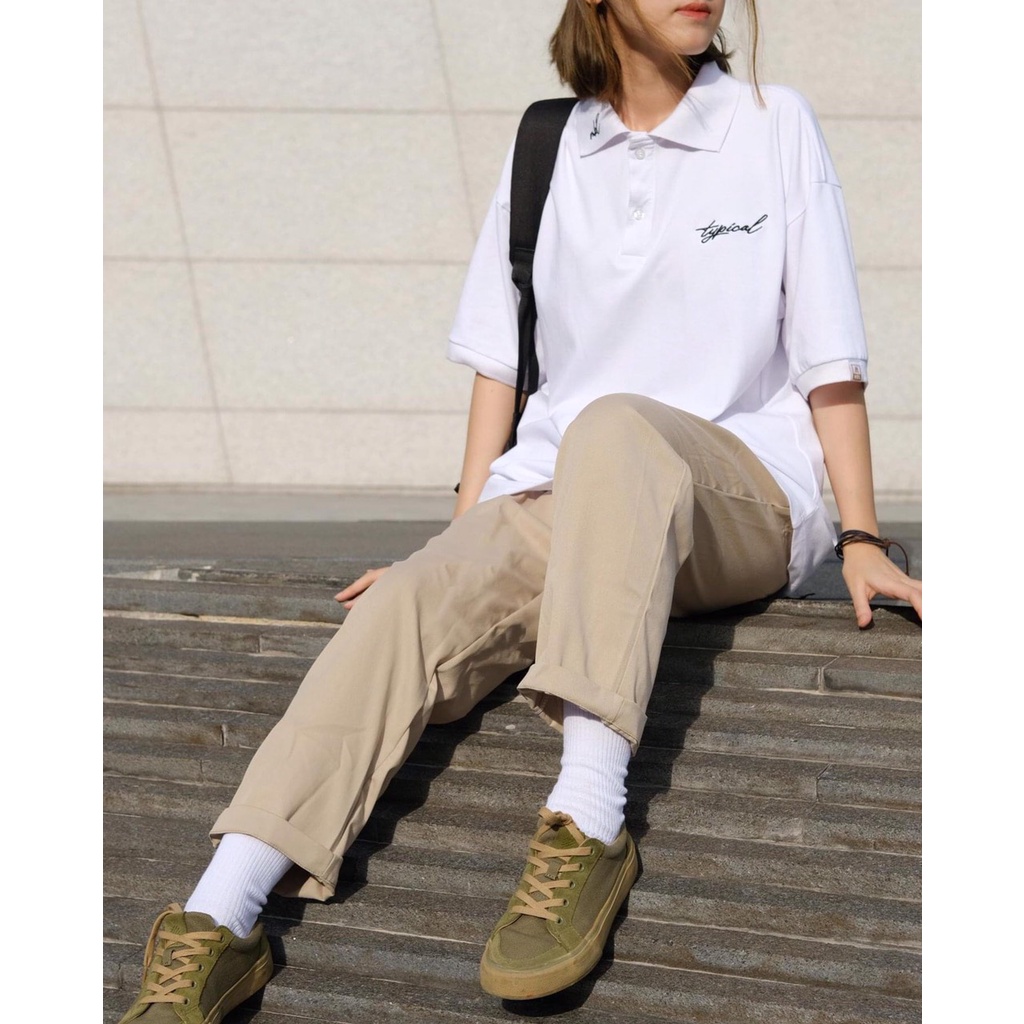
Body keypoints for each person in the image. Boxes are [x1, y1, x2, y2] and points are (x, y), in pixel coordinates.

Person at [115, 0, 923, 1020]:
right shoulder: (550, 144)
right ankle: (218, 918)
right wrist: (456, 550)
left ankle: (587, 819)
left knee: (616, 428)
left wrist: (859, 534)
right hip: (571, 495)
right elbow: (499, 366)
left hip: (740, 498)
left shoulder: (771, 123)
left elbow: (828, 351)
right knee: (409, 601)